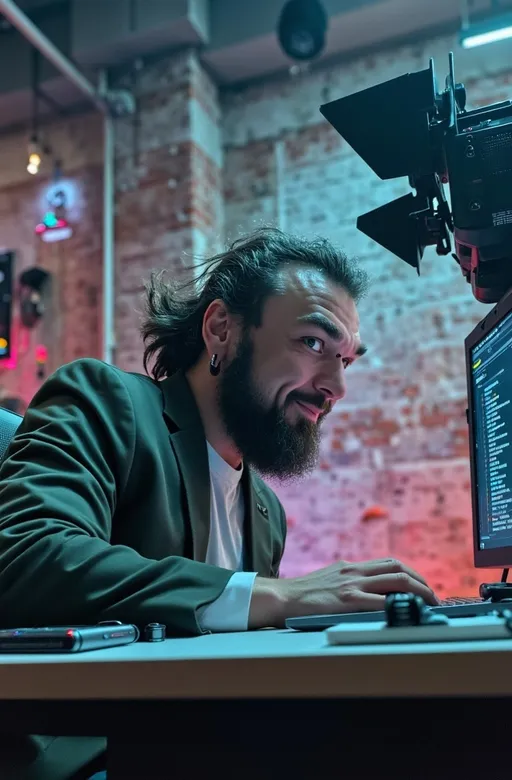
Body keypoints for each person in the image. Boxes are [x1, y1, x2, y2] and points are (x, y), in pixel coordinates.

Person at [0, 228, 438, 779]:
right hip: (85, 754)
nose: (335, 386)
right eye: (313, 344)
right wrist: (273, 594)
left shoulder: (265, 512)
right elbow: (26, 555)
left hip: (203, 743)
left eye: (346, 360)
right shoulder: (109, 404)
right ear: (221, 329)